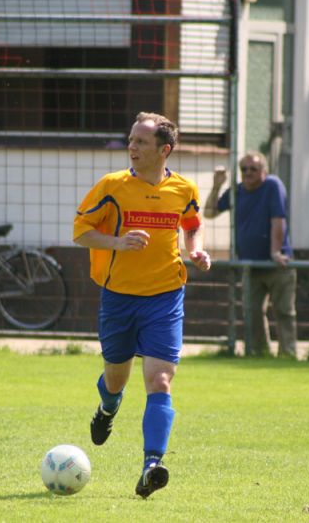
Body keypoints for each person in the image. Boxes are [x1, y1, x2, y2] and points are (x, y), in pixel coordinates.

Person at [73, 112, 211, 499]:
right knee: (116, 380)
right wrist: (118, 243)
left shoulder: (183, 188)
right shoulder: (112, 186)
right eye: (131, 140)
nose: (131, 147)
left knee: (160, 380)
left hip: (165, 296)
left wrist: (196, 250)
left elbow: (192, 223)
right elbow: (80, 232)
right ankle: (107, 408)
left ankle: (152, 465)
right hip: (118, 297)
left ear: (164, 150)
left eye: (141, 142)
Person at [204, 151, 296, 357]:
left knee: (284, 311)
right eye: (244, 169)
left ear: (264, 170)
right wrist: (217, 185)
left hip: (277, 263)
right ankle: (260, 353)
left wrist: (275, 252)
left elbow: (278, 220)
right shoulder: (237, 191)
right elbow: (209, 213)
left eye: (253, 169)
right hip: (250, 265)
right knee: (252, 312)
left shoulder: (272, 185)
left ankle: (288, 354)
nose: (248, 173)